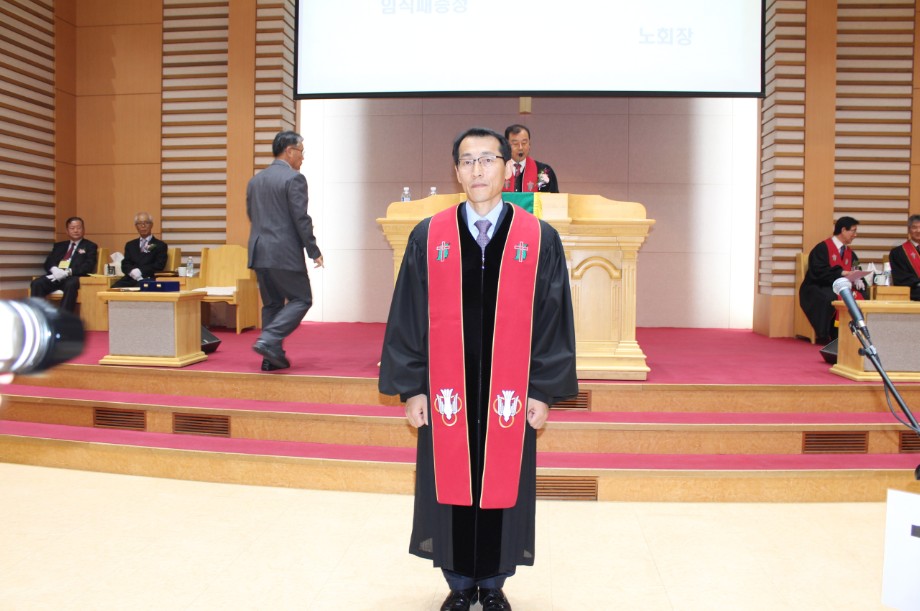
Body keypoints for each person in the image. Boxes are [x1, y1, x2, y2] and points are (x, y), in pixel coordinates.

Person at [379, 127, 578, 611]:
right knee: (448, 480)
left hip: (510, 394)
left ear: (507, 168)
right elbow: (408, 314)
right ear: (456, 171)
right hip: (447, 391)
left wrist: (542, 391)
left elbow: (553, 318)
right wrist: (413, 388)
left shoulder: (538, 238)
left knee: (504, 481)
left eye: (487, 159)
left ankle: (493, 583)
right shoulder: (430, 236)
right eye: (467, 161)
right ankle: (459, 582)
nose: (477, 169)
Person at [247, 130, 323, 372]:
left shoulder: (255, 181)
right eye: (301, 152)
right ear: (289, 151)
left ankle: (272, 358)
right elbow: (301, 219)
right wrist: (313, 250)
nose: (303, 157)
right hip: (284, 252)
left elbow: (252, 215)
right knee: (302, 299)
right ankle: (268, 339)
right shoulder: (294, 179)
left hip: (259, 251)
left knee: (272, 305)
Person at [799, 216, 866, 343]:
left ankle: (855, 332)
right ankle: (829, 335)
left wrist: (858, 278)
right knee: (829, 297)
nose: (855, 235)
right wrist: (842, 273)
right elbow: (818, 272)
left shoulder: (850, 253)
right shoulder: (822, 248)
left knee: (862, 294)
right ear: (843, 230)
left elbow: (856, 268)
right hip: (820, 284)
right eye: (853, 231)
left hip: (842, 286)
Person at [30, 217, 99, 313]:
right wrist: (54, 269)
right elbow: (49, 262)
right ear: (67, 231)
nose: (76, 230)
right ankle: (38, 315)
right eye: (72, 228)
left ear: (84, 230)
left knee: (70, 284)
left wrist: (68, 272)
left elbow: (88, 266)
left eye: (79, 228)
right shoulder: (59, 246)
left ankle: (63, 317)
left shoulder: (90, 246)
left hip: (73, 276)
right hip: (56, 275)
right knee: (37, 283)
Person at [111, 212, 168, 288]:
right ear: (136, 226)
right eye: (139, 223)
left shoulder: (159, 245)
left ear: (151, 225)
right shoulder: (130, 245)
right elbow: (125, 264)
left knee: (139, 289)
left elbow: (159, 265)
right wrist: (132, 271)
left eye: (146, 223)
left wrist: (140, 271)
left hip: (148, 278)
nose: (143, 226)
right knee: (113, 289)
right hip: (130, 278)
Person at [503, 124, 559, 193]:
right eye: (515, 144)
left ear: (529, 144)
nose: (520, 148)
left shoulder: (543, 171)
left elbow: (553, 198)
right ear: (506, 145)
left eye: (524, 143)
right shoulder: (498, 170)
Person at [888, 214, 920, 301]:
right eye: (914, 227)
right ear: (909, 230)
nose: (918, 230)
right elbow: (900, 277)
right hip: (912, 294)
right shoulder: (897, 253)